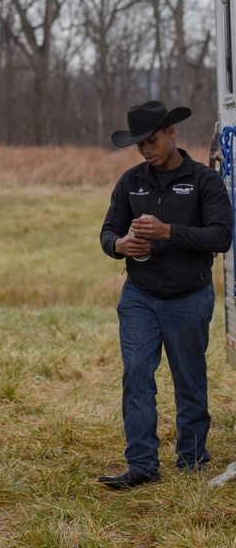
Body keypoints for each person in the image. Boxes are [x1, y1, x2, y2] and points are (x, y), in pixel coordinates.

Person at [98, 101, 232, 489]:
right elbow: (108, 231)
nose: (146, 150)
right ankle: (141, 465)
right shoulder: (130, 181)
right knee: (137, 374)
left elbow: (222, 236)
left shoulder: (205, 180)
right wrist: (119, 245)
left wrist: (168, 231)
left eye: (151, 141)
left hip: (189, 296)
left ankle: (192, 459)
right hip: (138, 294)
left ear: (172, 133)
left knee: (189, 379)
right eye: (140, 145)